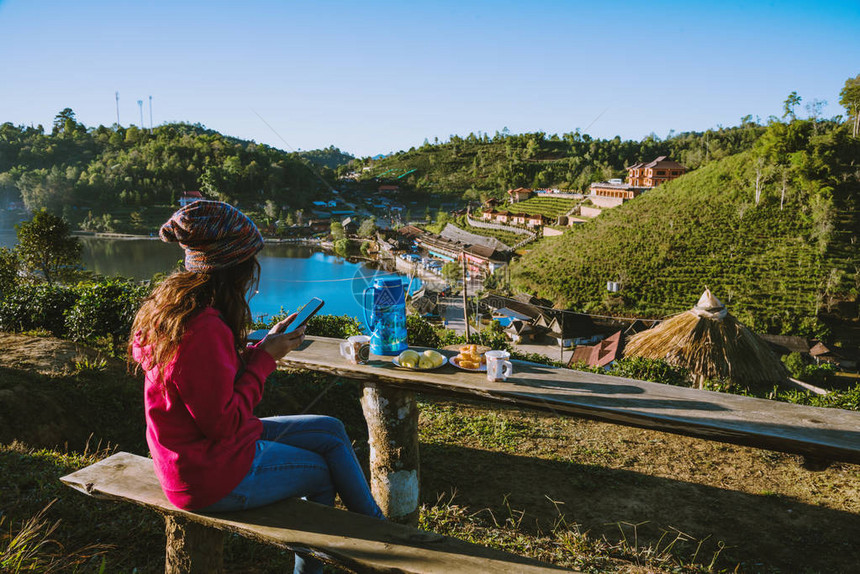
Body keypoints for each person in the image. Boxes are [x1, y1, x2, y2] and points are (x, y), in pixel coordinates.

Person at [129, 200, 384, 574]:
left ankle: (379, 529)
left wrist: (258, 351)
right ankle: (374, 548)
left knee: (329, 429)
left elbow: (204, 379)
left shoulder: (177, 308)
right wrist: (266, 360)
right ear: (234, 265)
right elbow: (224, 424)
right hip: (206, 476)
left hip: (193, 456)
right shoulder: (203, 328)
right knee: (322, 471)